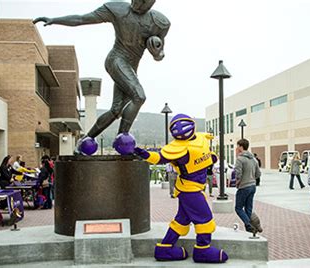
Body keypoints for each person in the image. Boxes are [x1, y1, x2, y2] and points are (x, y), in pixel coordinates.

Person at [33, 0, 170, 152]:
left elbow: (159, 55)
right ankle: (122, 139)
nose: (138, 3)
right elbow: (82, 19)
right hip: (116, 59)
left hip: (131, 68)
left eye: (144, 1)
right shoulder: (118, 9)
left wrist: (156, 50)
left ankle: (87, 138)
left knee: (116, 110)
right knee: (139, 96)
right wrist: (55, 20)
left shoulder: (159, 23)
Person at [134, 113, 228, 263]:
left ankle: (164, 248)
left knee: (182, 220)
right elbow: (158, 157)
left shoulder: (201, 138)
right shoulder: (177, 148)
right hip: (190, 190)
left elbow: (204, 156)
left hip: (193, 188)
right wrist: (141, 152)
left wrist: (212, 158)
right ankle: (203, 250)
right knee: (204, 219)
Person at [234, 139, 261, 233]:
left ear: (241, 147)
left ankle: (248, 225)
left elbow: (238, 173)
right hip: (253, 186)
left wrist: (237, 182)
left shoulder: (240, 159)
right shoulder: (254, 159)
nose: (236, 148)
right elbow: (258, 174)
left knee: (238, 208)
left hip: (244, 186)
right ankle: (251, 229)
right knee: (248, 208)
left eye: (237, 146)